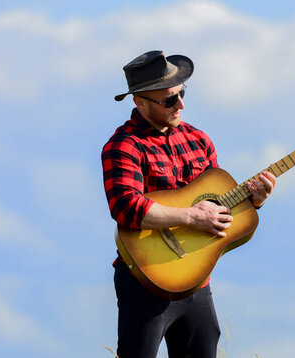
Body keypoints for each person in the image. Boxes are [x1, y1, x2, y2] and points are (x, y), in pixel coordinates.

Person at [101, 50, 276, 358]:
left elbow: (217, 210)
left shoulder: (199, 139)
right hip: (144, 281)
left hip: (196, 282)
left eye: (182, 93)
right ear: (140, 102)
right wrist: (191, 217)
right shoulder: (123, 146)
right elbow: (126, 207)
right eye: (169, 100)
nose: (180, 104)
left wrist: (253, 202)